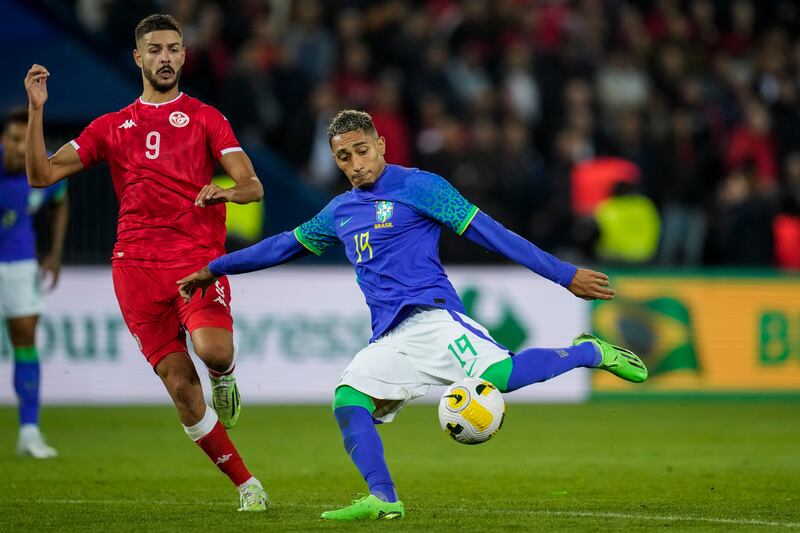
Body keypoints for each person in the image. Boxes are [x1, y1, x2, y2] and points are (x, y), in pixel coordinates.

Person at [178, 110, 649, 520]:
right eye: (344, 157)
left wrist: (565, 275)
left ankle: (589, 351)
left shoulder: (420, 186)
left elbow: (493, 234)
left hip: (433, 316)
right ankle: (383, 499)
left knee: (502, 375)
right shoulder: (340, 211)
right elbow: (283, 245)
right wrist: (216, 268)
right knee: (348, 399)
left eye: (363, 150)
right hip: (389, 337)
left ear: (380, 145)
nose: (356, 163)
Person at [24, 14, 268, 510]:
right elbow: (41, 175)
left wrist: (223, 193)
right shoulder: (111, 127)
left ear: (183, 55)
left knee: (214, 352)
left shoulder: (205, 117)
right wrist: (35, 111)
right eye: (155, 50)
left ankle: (225, 378)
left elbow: (253, 185)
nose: (165, 58)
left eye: (173, 49)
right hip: (134, 268)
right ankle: (248, 486)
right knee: (181, 387)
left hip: (196, 259)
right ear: (138, 58)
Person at [1, 108, 68, 458]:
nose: (18, 147)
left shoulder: (46, 169)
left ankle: (29, 431)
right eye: (12, 139)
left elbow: (60, 201)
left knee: (25, 339)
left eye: (24, 140)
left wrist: (54, 252)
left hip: (20, 263)